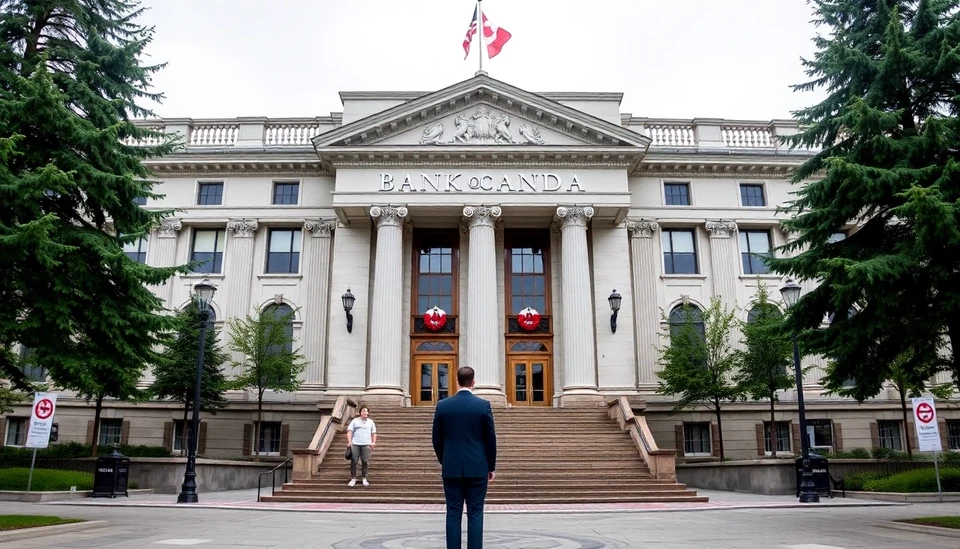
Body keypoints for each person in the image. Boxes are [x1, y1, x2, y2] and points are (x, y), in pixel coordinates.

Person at [431, 366, 497, 549]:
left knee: (453, 512)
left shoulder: (443, 406)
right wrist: (490, 466)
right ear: (473, 383)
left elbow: (436, 439)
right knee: (476, 512)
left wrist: (446, 460)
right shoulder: (483, 405)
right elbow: (490, 439)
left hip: (452, 468)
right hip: (477, 467)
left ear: (456, 381)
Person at [346, 405, 376, 487]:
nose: (366, 412)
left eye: (367, 411)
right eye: (364, 411)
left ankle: (364, 477)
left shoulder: (370, 422)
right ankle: (353, 478)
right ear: (360, 413)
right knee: (354, 461)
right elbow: (350, 431)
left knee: (365, 461)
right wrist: (349, 441)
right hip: (355, 444)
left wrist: (373, 442)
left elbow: (373, 433)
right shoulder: (355, 421)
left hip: (366, 444)